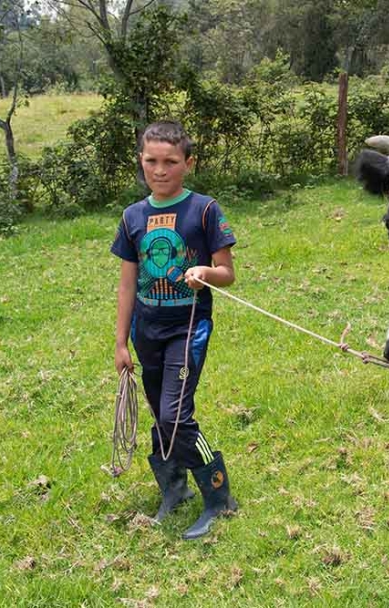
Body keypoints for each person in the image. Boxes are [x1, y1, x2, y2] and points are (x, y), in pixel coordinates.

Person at [111, 120, 238, 539]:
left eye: (170, 161)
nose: (160, 170)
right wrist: (120, 342)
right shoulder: (132, 217)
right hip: (146, 332)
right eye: (151, 161)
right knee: (159, 413)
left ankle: (219, 497)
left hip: (189, 326)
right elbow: (128, 283)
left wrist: (205, 271)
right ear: (141, 161)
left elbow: (227, 273)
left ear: (188, 163)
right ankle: (174, 488)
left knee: (174, 414)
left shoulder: (203, 209)